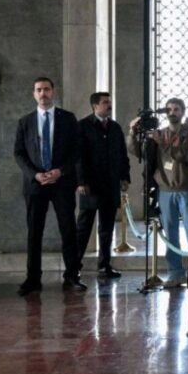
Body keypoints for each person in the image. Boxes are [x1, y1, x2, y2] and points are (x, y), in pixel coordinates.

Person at [13, 77, 86, 296]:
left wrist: (60, 171)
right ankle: (33, 278)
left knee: (68, 230)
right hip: (36, 185)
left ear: (53, 92)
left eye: (46, 89)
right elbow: (19, 153)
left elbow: (77, 150)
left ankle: (72, 276)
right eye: (39, 90)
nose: (43, 93)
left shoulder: (68, 119)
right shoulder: (25, 122)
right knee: (34, 232)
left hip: (62, 183)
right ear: (34, 94)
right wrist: (35, 175)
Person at [127, 97, 188, 288]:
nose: (172, 113)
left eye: (176, 109)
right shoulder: (159, 134)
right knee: (170, 235)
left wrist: (163, 144)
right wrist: (133, 132)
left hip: (187, 190)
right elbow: (138, 152)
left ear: (182, 112)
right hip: (165, 190)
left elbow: (184, 155)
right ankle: (176, 274)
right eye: (169, 110)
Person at [76, 92, 130, 279]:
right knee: (83, 228)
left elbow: (122, 154)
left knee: (107, 228)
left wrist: (125, 176)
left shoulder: (115, 127)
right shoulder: (83, 126)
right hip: (90, 186)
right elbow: (78, 156)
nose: (109, 105)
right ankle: (74, 266)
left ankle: (104, 265)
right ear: (95, 106)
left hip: (110, 185)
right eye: (105, 102)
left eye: (109, 102)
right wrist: (81, 181)